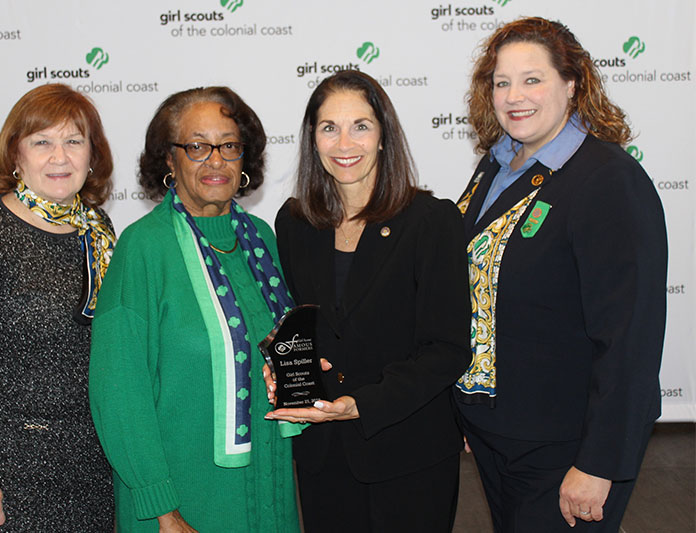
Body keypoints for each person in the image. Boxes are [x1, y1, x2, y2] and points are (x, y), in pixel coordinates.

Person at [455, 17, 667, 532]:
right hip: (499, 431)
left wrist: (599, 463)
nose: (513, 96)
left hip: (570, 445)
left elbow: (629, 339)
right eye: (501, 82)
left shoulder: (608, 181)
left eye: (532, 79)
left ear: (572, 84)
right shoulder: (497, 164)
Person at [88, 86, 302, 533]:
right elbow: (119, 393)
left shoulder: (261, 238)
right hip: (180, 499)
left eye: (229, 145)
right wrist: (161, 507)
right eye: (197, 146)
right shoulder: (143, 247)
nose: (216, 160)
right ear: (169, 159)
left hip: (268, 483)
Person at [265, 70, 471, 531]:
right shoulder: (295, 223)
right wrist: (281, 361)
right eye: (329, 127)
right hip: (323, 454)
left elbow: (448, 349)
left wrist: (361, 403)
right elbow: (301, 325)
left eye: (360, 125)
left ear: (383, 137)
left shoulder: (432, 222)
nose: (345, 143)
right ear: (312, 139)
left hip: (410, 451)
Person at [0, 83, 116, 531]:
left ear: (93, 155)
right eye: (42, 142)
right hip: (6, 474)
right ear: (16, 155)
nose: (60, 156)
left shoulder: (99, 230)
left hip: (91, 463)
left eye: (74, 141)